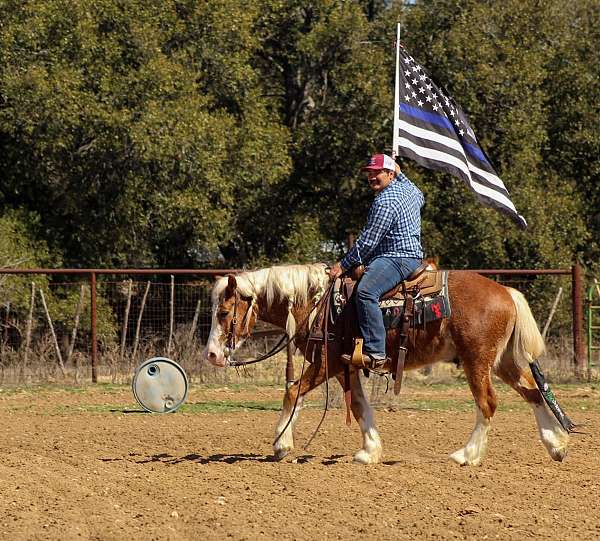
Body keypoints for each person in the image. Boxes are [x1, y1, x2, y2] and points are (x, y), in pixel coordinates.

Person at [329, 153, 424, 368]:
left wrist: (342, 265)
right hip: (410, 255)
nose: (372, 177)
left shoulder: (385, 202)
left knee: (365, 292)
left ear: (390, 174)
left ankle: (375, 351)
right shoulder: (408, 190)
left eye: (377, 172)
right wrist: (401, 175)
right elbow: (421, 196)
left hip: (395, 258)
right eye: (369, 173)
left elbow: (368, 242)